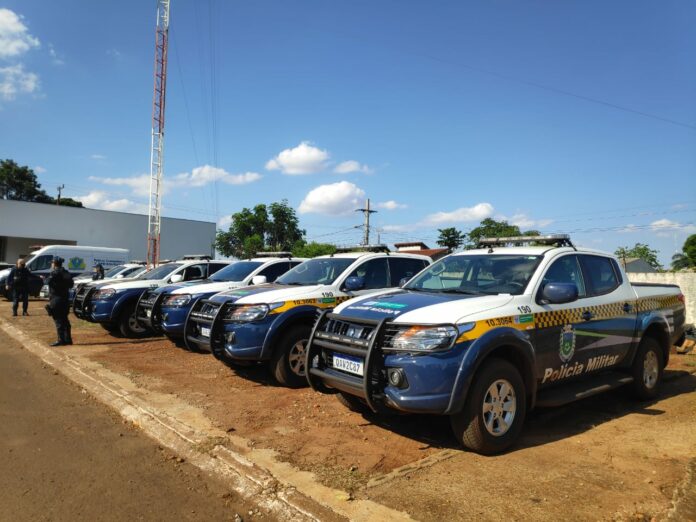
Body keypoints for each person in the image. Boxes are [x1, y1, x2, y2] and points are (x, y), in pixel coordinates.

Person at [45, 256, 74, 346]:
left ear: (54, 264)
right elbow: (71, 284)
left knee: (58, 320)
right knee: (65, 319)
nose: (52, 264)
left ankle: (61, 340)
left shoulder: (54, 273)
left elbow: (47, 281)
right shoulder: (66, 273)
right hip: (65, 299)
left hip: (56, 299)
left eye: (52, 263)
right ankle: (68, 339)